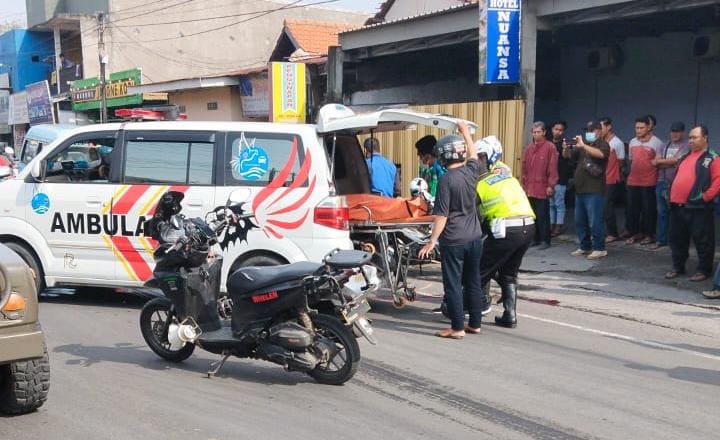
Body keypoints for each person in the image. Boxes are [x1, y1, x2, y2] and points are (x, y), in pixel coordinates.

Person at [418, 122, 483, 339]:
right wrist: (465, 133)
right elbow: (473, 154)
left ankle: (457, 328)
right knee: (473, 280)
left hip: (454, 240)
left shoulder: (446, 180)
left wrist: (431, 241)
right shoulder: (472, 171)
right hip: (475, 237)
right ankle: (475, 323)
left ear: (443, 157)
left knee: (453, 284)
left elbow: (442, 216)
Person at [474, 136, 535, 328]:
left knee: (479, 272)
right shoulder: (507, 175)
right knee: (509, 273)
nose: (476, 161)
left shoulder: (482, 183)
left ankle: (467, 313)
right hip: (528, 227)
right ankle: (510, 316)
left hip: (505, 229)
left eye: (479, 157)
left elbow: (469, 210)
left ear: (486, 158)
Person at [665, 125, 720, 282]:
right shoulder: (685, 156)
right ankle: (678, 267)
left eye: (694, 137)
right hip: (678, 206)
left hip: (698, 207)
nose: (691, 140)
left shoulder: (713, 158)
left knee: (703, 240)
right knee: (677, 239)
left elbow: (718, 182)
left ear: (705, 138)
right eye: (690, 137)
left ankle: (704, 270)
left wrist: (705, 197)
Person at [563, 121, 610, 259]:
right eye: (587, 130)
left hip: (595, 190)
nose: (589, 133)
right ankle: (585, 246)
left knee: (595, 221)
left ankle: (599, 248)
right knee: (580, 220)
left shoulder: (602, 144)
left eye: (592, 130)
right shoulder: (582, 146)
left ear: (599, 131)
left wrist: (583, 145)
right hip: (580, 190)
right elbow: (568, 156)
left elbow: (601, 155)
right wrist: (566, 148)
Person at [626, 116, 664, 245]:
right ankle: (634, 233)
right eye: (636, 127)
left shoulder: (657, 142)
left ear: (648, 127)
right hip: (633, 181)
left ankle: (649, 234)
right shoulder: (632, 142)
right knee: (632, 210)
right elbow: (631, 160)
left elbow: (658, 162)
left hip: (649, 182)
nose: (638, 130)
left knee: (648, 210)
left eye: (641, 128)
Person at [521, 121, 558, 250]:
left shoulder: (550, 147)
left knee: (543, 215)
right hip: (530, 187)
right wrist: (524, 186)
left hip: (542, 187)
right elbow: (524, 169)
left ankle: (545, 240)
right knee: (532, 215)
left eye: (538, 132)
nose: (536, 134)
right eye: (534, 132)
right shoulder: (529, 148)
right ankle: (535, 239)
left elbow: (552, 168)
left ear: (544, 132)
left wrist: (550, 185)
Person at [652, 122, 688, 249]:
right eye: (673, 131)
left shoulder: (686, 145)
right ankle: (661, 240)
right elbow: (655, 162)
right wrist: (668, 163)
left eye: (677, 131)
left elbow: (677, 161)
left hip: (676, 183)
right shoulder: (664, 144)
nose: (675, 134)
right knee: (662, 213)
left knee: (677, 214)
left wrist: (663, 162)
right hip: (661, 182)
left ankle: (676, 241)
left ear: (683, 132)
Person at [599, 117, 626, 243]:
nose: (599, 130)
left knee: (607, 207)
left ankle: (613, 233)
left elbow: (621, 162)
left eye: (601, 127)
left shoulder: (617, 143)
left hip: (611, 179)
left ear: (608, 127)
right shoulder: (598, 141)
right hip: (599, 179)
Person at [549, 121, 571, 237]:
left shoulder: (565, 143)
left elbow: (567, 156)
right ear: (552, 129)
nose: (558, 131)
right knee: (551, 204)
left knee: (559, 203)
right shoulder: (547, 143)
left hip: (560, 178)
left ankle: (558, 226)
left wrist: (565, 149)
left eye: (561, 130)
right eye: (556, 129)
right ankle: (551, 225)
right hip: (548, 179)